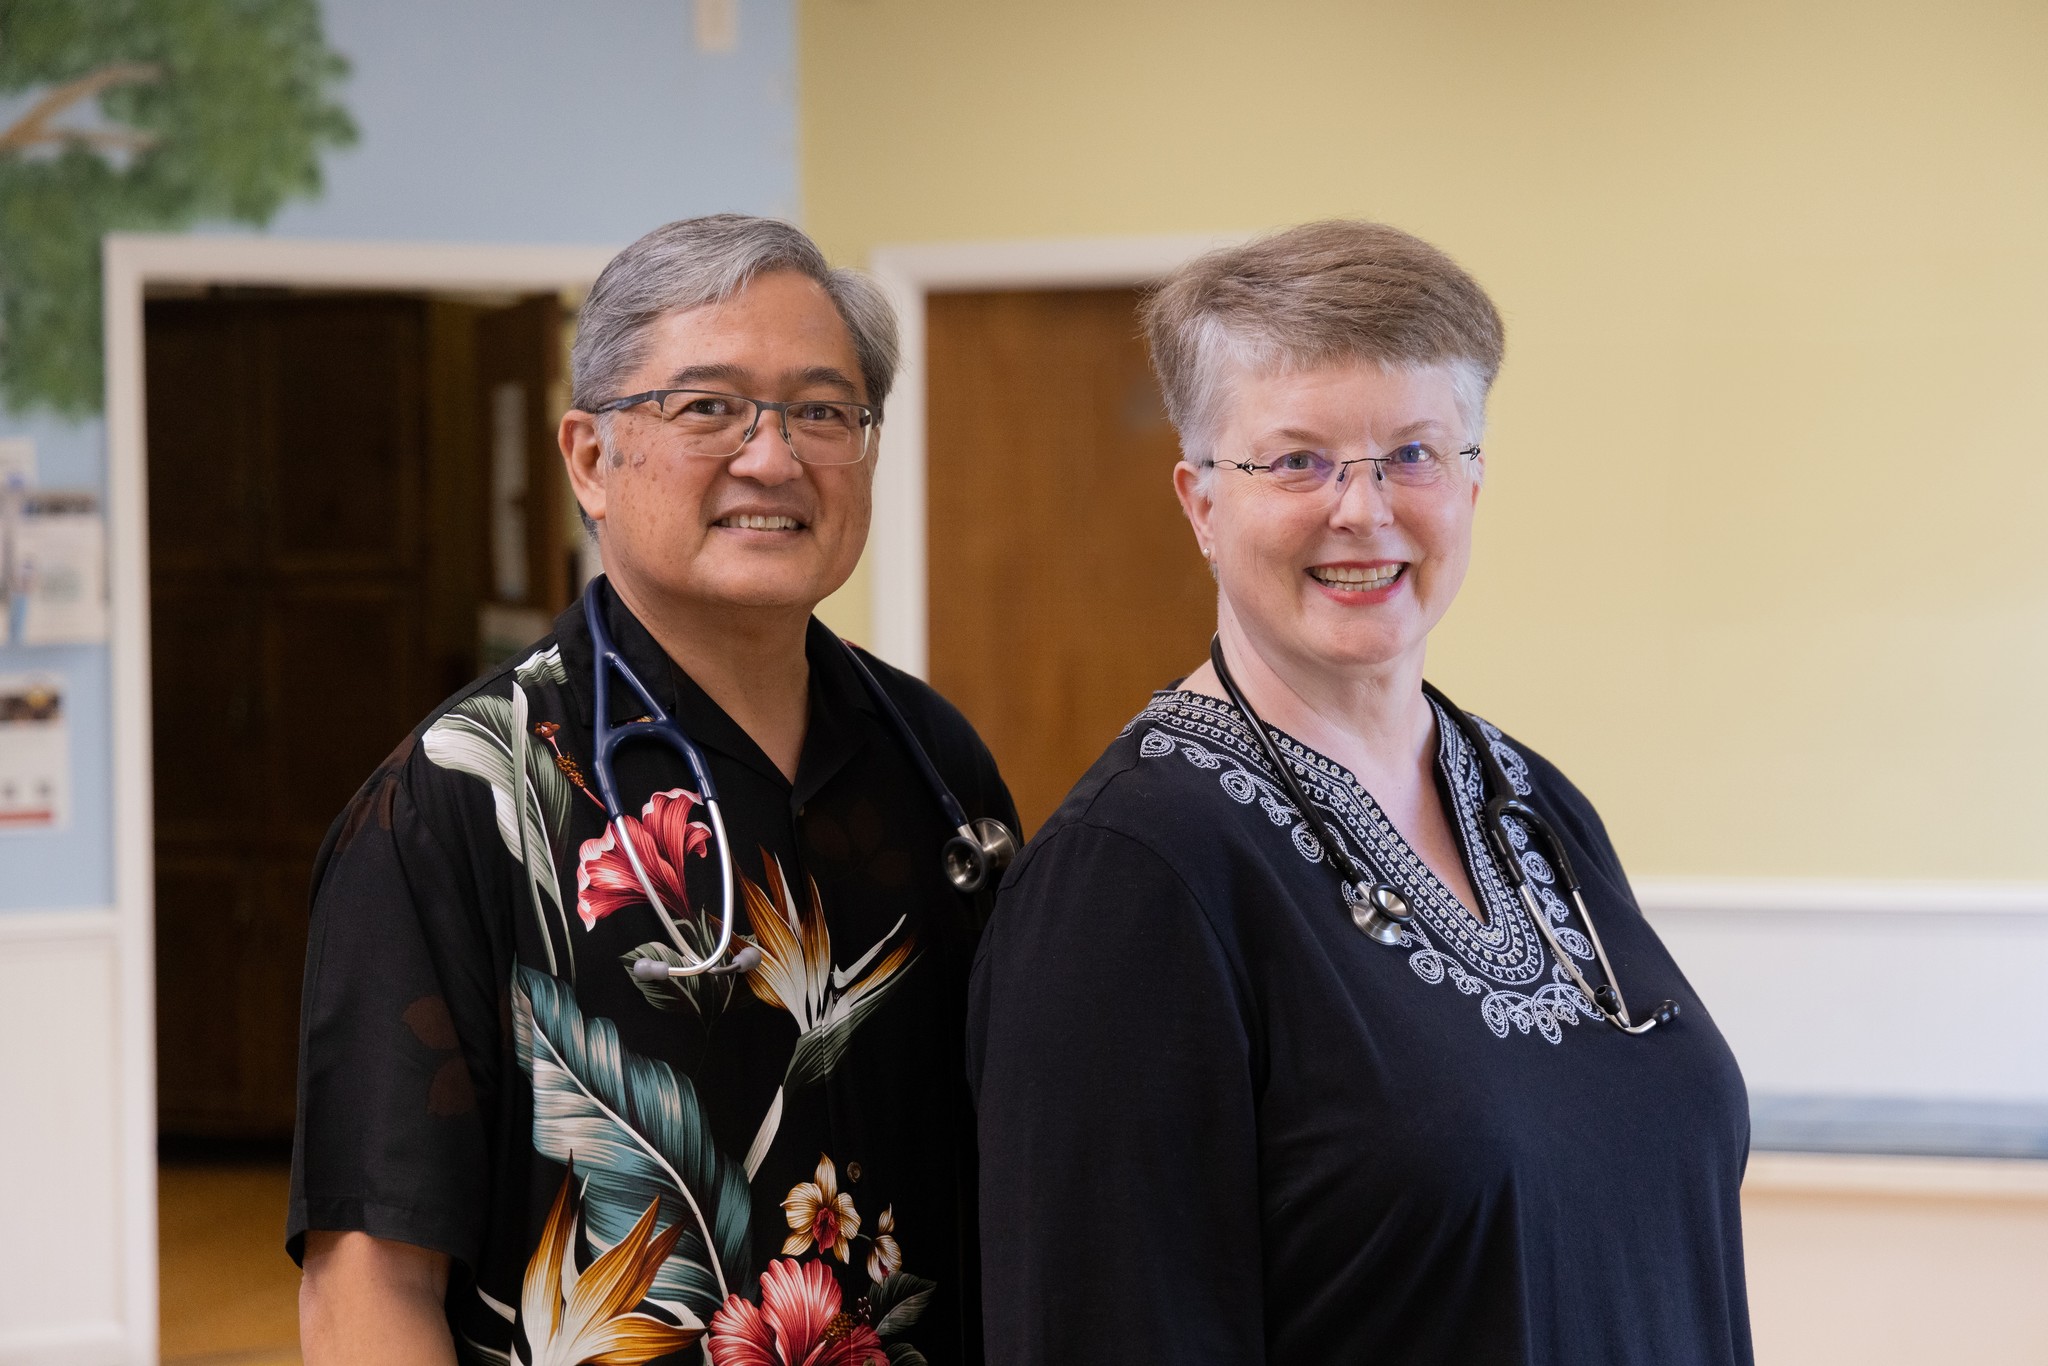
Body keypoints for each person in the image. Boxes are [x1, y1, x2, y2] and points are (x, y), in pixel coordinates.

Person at [967, 221, 1753, 1365]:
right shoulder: (1130, 879)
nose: (1362, 508)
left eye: (1413, 454)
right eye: (1295, 460)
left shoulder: (1531, 803)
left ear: (1473, 482)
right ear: (1198, 503)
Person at [292, 215, 1016, 1366]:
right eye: (707, 406)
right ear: (588, 457)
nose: (772, 457)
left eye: (823, 410)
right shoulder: (459, 799)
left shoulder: (931, 765)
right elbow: (367, 1284)